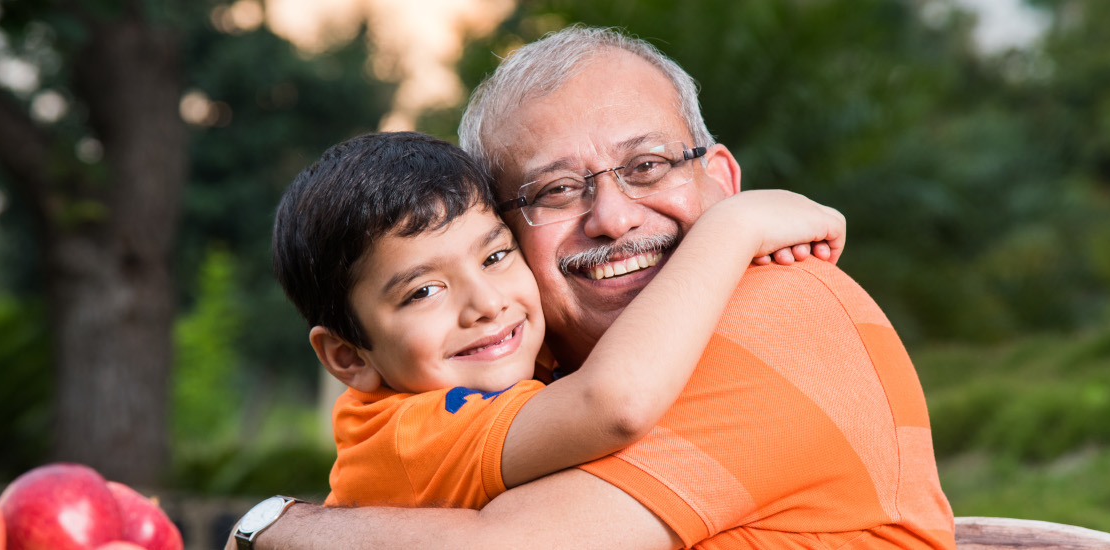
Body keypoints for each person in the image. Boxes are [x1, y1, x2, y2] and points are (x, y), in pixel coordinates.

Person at [233, 25, 954, 550]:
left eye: (648, 166)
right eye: (555, 191)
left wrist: (278, 527)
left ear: (723, 182)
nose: (611, 218)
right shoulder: (488, 386)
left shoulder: (778, 308)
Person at [271, 131, 844, 509]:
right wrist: (731, 228)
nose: (487, 304)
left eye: (495, 256)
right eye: (423, 291)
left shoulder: (473, 369)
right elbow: (613, 405)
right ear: (349, 356)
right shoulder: (412, 434)